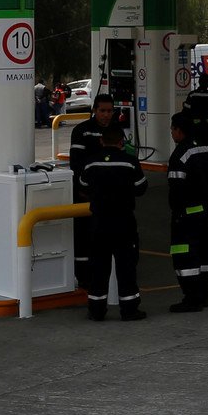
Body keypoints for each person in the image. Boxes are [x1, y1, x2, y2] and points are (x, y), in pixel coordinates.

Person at [76, 124, 147, 321]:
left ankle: (96, 310)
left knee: (98, 267)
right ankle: (129, 309)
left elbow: (83, 188)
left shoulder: (90, 163)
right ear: (121, 142)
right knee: (126, 266)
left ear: (101, 141)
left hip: (99, 222)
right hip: (124, 221)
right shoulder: (130, 162)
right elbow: (141, 188)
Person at [68, 94, 124, 293]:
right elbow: (76, 164)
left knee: (107, 236)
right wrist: (83, 190)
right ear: (94, 111)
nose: (106, 115)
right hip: (86, 194)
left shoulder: (116, 130)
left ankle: (108, 275)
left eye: (110, 111)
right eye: (102, 111)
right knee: (84, 236)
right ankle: (84, 276)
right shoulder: (82, 131)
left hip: (110, 196)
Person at [166, 114, 208, 313]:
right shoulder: (207, 149)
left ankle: (192, 297)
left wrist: (177, 212)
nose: (171, 133)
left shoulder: (180, 155)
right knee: (205, 252)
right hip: (206, 211)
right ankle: (203, 294)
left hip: (186, 215)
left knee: (184, 255)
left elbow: (176, 188)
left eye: (172, 129)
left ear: (179, 130)